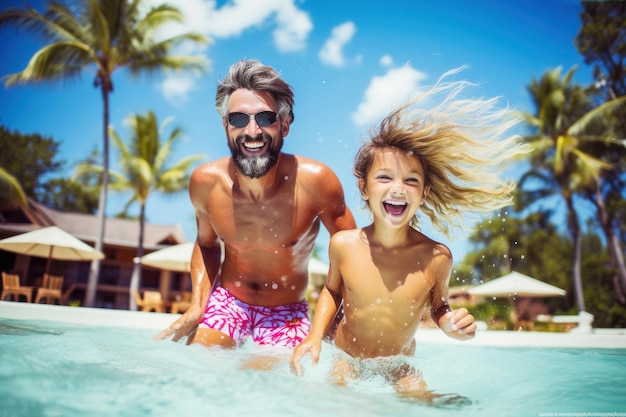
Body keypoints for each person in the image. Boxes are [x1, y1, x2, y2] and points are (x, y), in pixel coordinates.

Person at [289, 71, 527, 399]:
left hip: (398, 363)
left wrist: (452, 326)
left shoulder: (436, 257)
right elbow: (332, 292)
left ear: (425, 192)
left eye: (411, 181)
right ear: (364, 187)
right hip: (347, 356)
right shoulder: (343, 245)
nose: (398, 189)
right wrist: (315, 336)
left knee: (428, 402)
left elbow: (439, 306)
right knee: (337, 399)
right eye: (384, 177)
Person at [154, 59, 355, 349]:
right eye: (238, 119)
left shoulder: (316, 183)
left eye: (265, 118)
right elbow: (206, 244)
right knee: (199, 364)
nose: (251, 131)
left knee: (269, 384)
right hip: (229, 302)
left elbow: (352, 254)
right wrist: (198, 304)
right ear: (225, 126)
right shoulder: (206, 183)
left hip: (287, 314)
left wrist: (335, 322)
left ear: (284, 125)